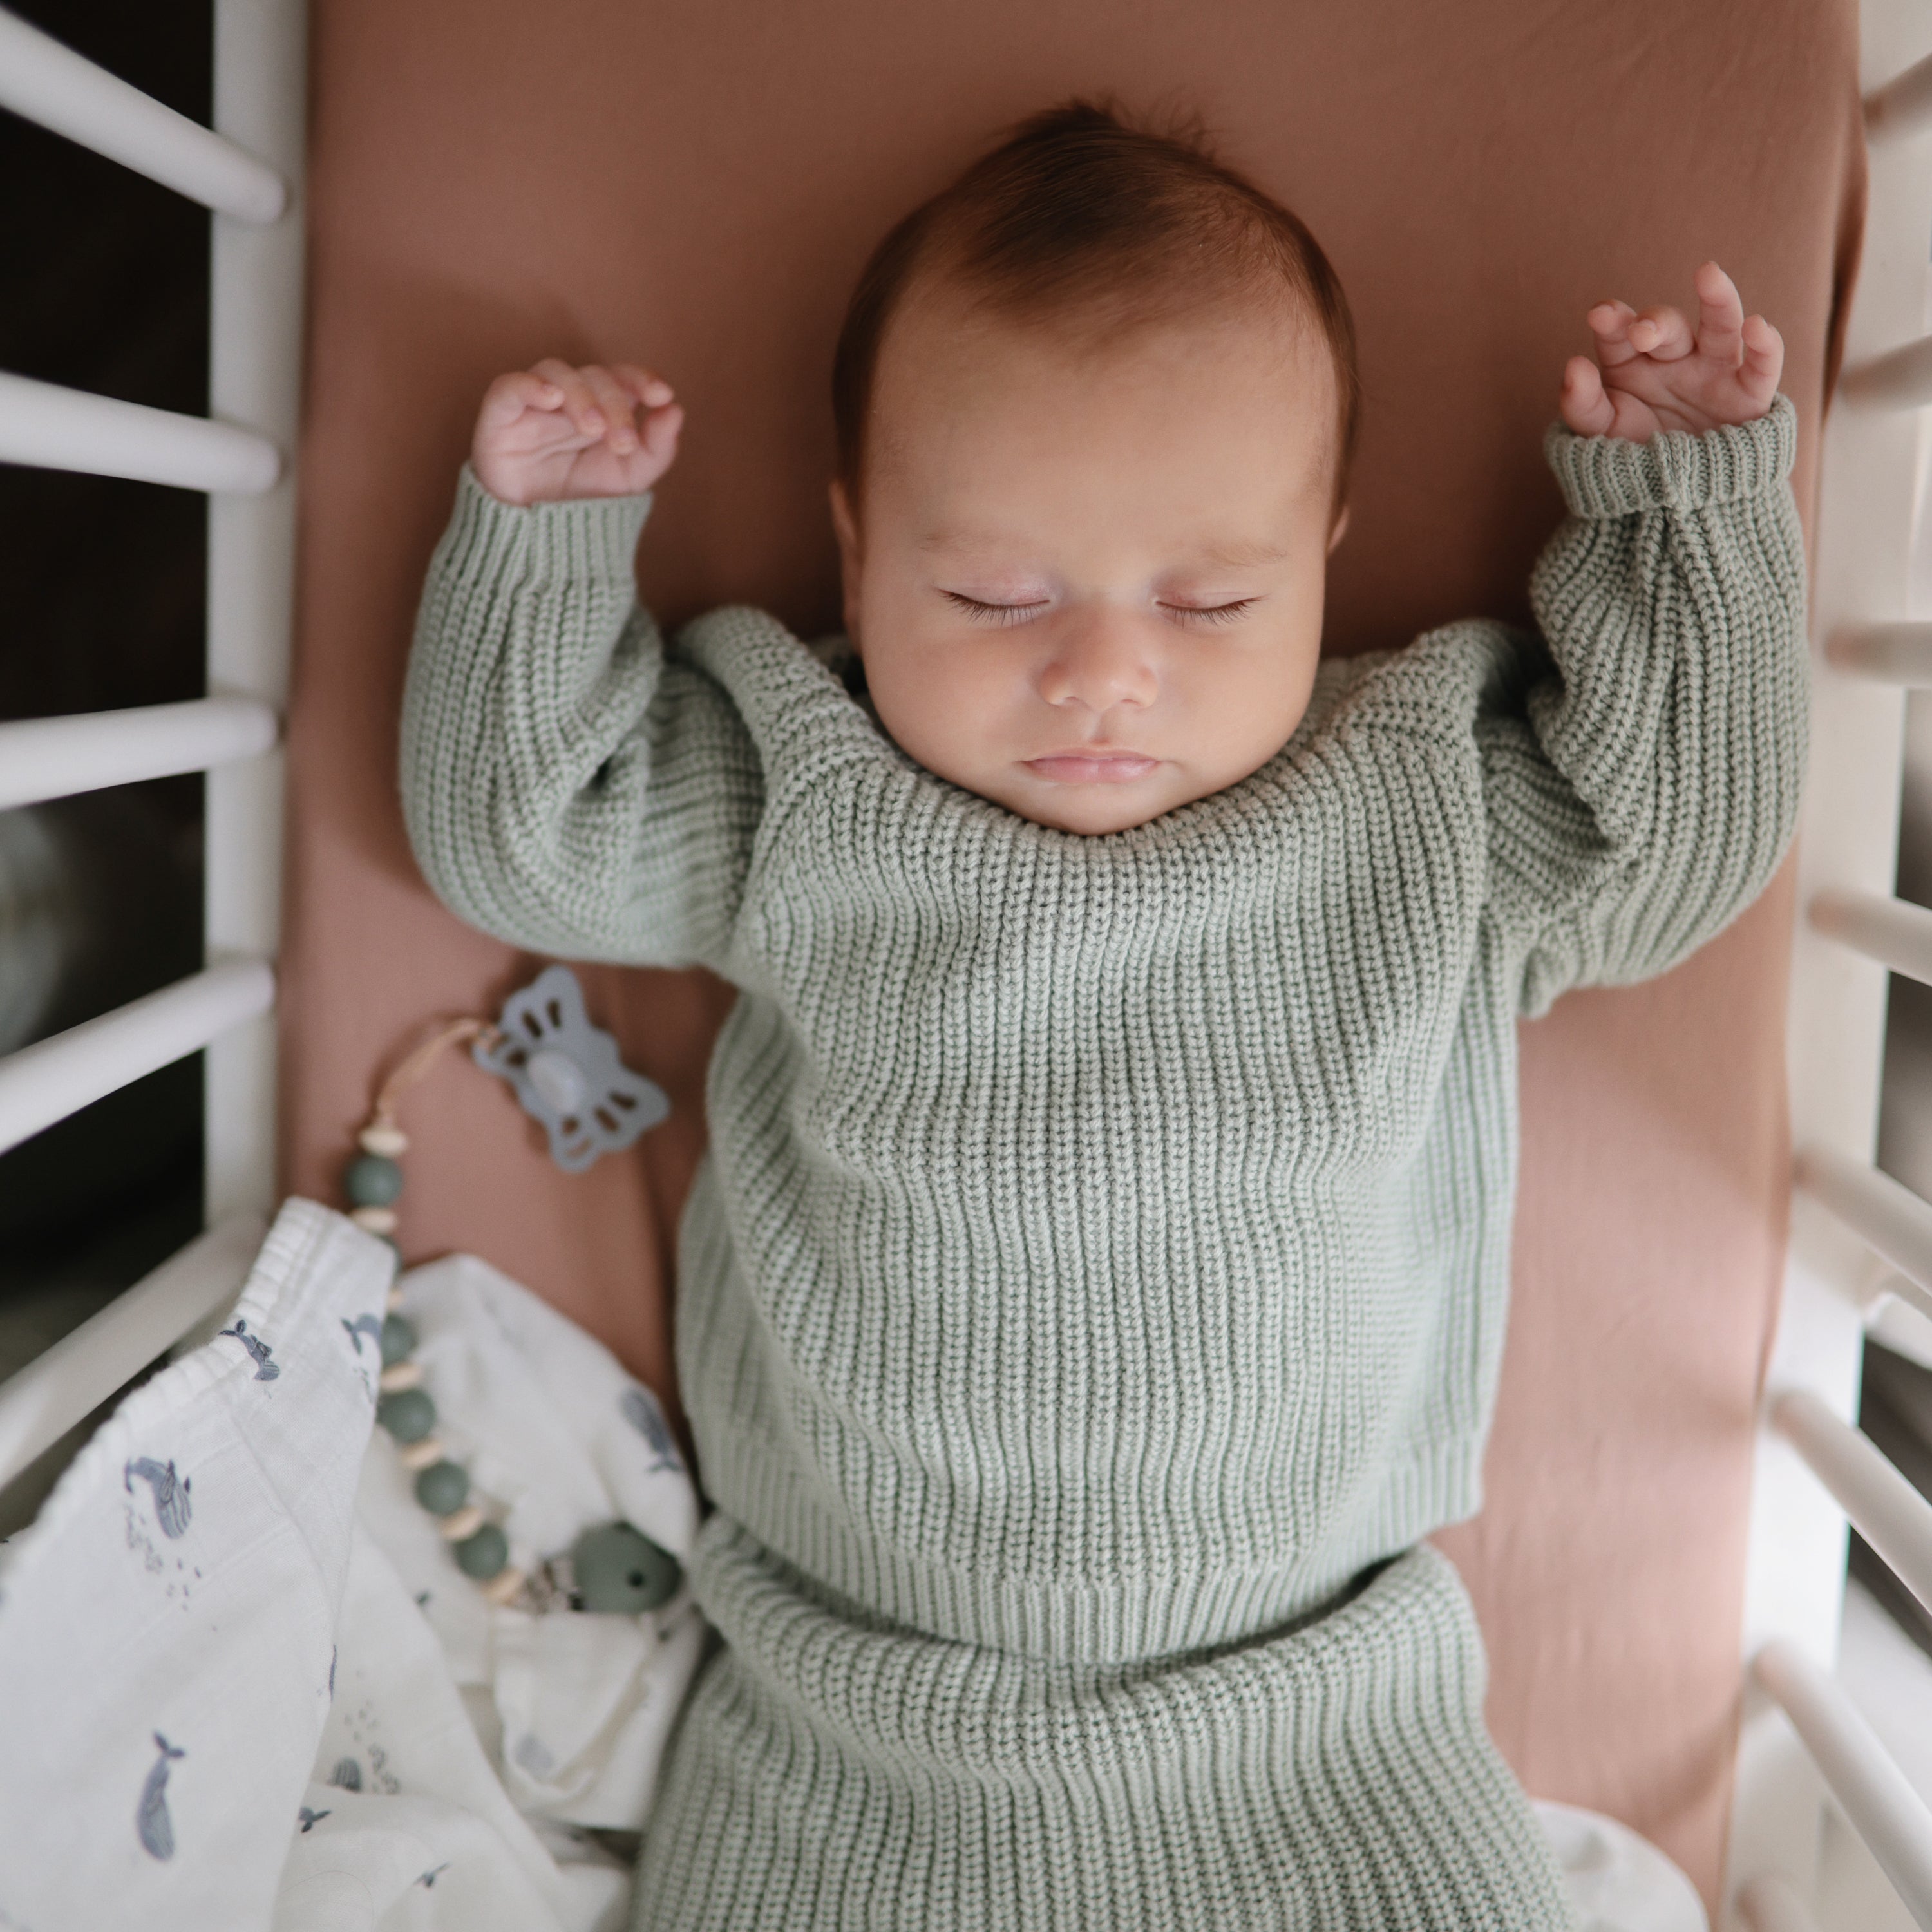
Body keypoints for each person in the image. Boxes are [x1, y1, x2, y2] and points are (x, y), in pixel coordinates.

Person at [402, 100, 1804, 1931]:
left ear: (1325, 552)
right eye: (992, 594)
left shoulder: (1419, 806)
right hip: (850, 1727)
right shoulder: (799, 787)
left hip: (1319, 1719)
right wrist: (549, 549)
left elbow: (1679, 841)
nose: (1103, 672)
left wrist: (1685, 510)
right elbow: (517, 837)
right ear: (852, 552)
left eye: (1214, 599)